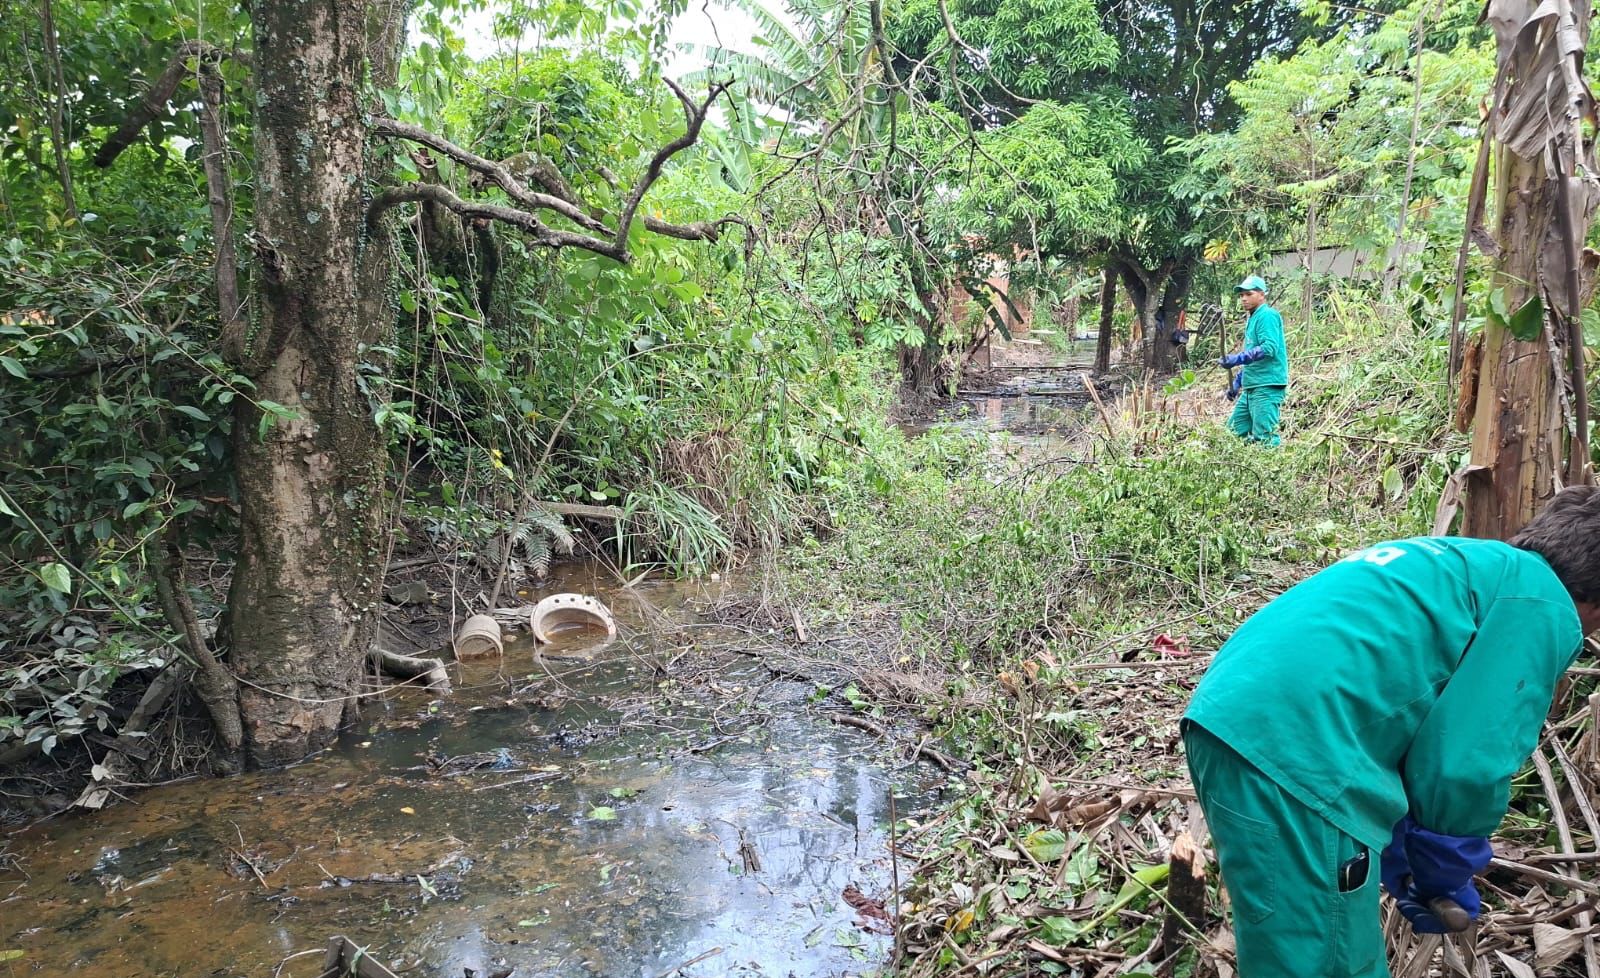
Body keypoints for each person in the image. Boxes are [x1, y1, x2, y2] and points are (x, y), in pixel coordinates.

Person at [1182, 486, 1600, 977]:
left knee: (1292, 941)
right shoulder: (1541, 603)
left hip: (1230, 720)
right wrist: (1444, 863)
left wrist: (1403, 845)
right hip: (1298, 747)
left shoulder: (1463, 563)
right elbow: (1467, 762)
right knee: (1326, 961)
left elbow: (1394, 697)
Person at [1219, 275, 1288, 445]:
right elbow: (1253, 356)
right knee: (1233, 433)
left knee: (1265, 437)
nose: (1244, 298)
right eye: (1241, 295)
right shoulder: (1253, 318)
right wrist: (1238, 381)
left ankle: (1270, 460)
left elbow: (1269, 348)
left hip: (1266, 385)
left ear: (1262, 295)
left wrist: (1237, 359)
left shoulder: (1267, 315)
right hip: (1252, 386)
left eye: (1249, 294)